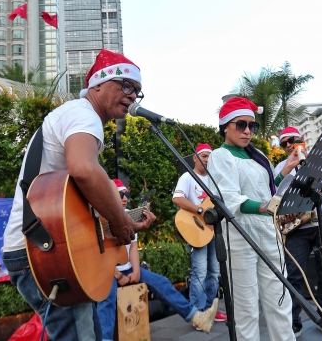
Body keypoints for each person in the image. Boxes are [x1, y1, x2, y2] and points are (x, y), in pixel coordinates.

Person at [2, 49, 154, 340]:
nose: (133, 95)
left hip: (50, 247)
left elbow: (76, 202)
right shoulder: (83, 114)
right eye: (126, 86)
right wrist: (121, 222)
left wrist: (117, 221)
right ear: (97, 84)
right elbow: (83, 169)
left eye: (137, 91)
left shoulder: (78, 118)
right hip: (43, 252)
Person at [207, 97, 294, 341]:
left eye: (252, 126)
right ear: (225, 126)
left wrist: (285, 173)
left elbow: (267, 191)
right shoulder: (220, 156)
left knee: (280, 301)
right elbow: (231, 199)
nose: (248, 131)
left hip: (266, 230)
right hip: (239, 235)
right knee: (246, 310)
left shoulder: (260, 157)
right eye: (241, 125)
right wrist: (266, 207)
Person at [98, 179, 218, 339]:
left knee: (162, 282)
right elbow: (99, 255)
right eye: (120, 195)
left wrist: (135, 270)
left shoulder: (129, 217)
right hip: (108, 272)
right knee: (107, 298)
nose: (125, 198)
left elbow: (133, 247)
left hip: (127, 267)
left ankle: (196, 317)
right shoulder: (100, 220)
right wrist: (118, 276)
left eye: (126, 194)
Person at [274, 126, 322, 337]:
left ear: (301, 139)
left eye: (292, 140)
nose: (289, 145)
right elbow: (274, 195)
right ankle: (294, 321)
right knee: (293, 273)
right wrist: (283, 212)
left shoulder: (321, 158)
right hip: (298, 227)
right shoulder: (282, 166)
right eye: (284, 143)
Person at [172, 143, 227, 328]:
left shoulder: (214, 179)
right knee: (200, 273)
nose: (207, 160)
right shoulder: (188, 177)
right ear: (195, 158)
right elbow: (177, 198)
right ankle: (198, 312)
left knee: (214, 272)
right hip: (196, 231)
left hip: (212, 231)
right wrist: (201, 209)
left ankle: (210, 308)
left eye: (209, 157)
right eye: (203, 156)